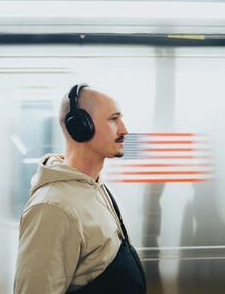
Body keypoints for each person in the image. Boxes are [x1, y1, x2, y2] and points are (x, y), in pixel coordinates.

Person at [14, 84, 147, 294]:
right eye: (114, 119)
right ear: (80, 126)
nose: (124, 130)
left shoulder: (99, 187)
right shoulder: (51, 208)